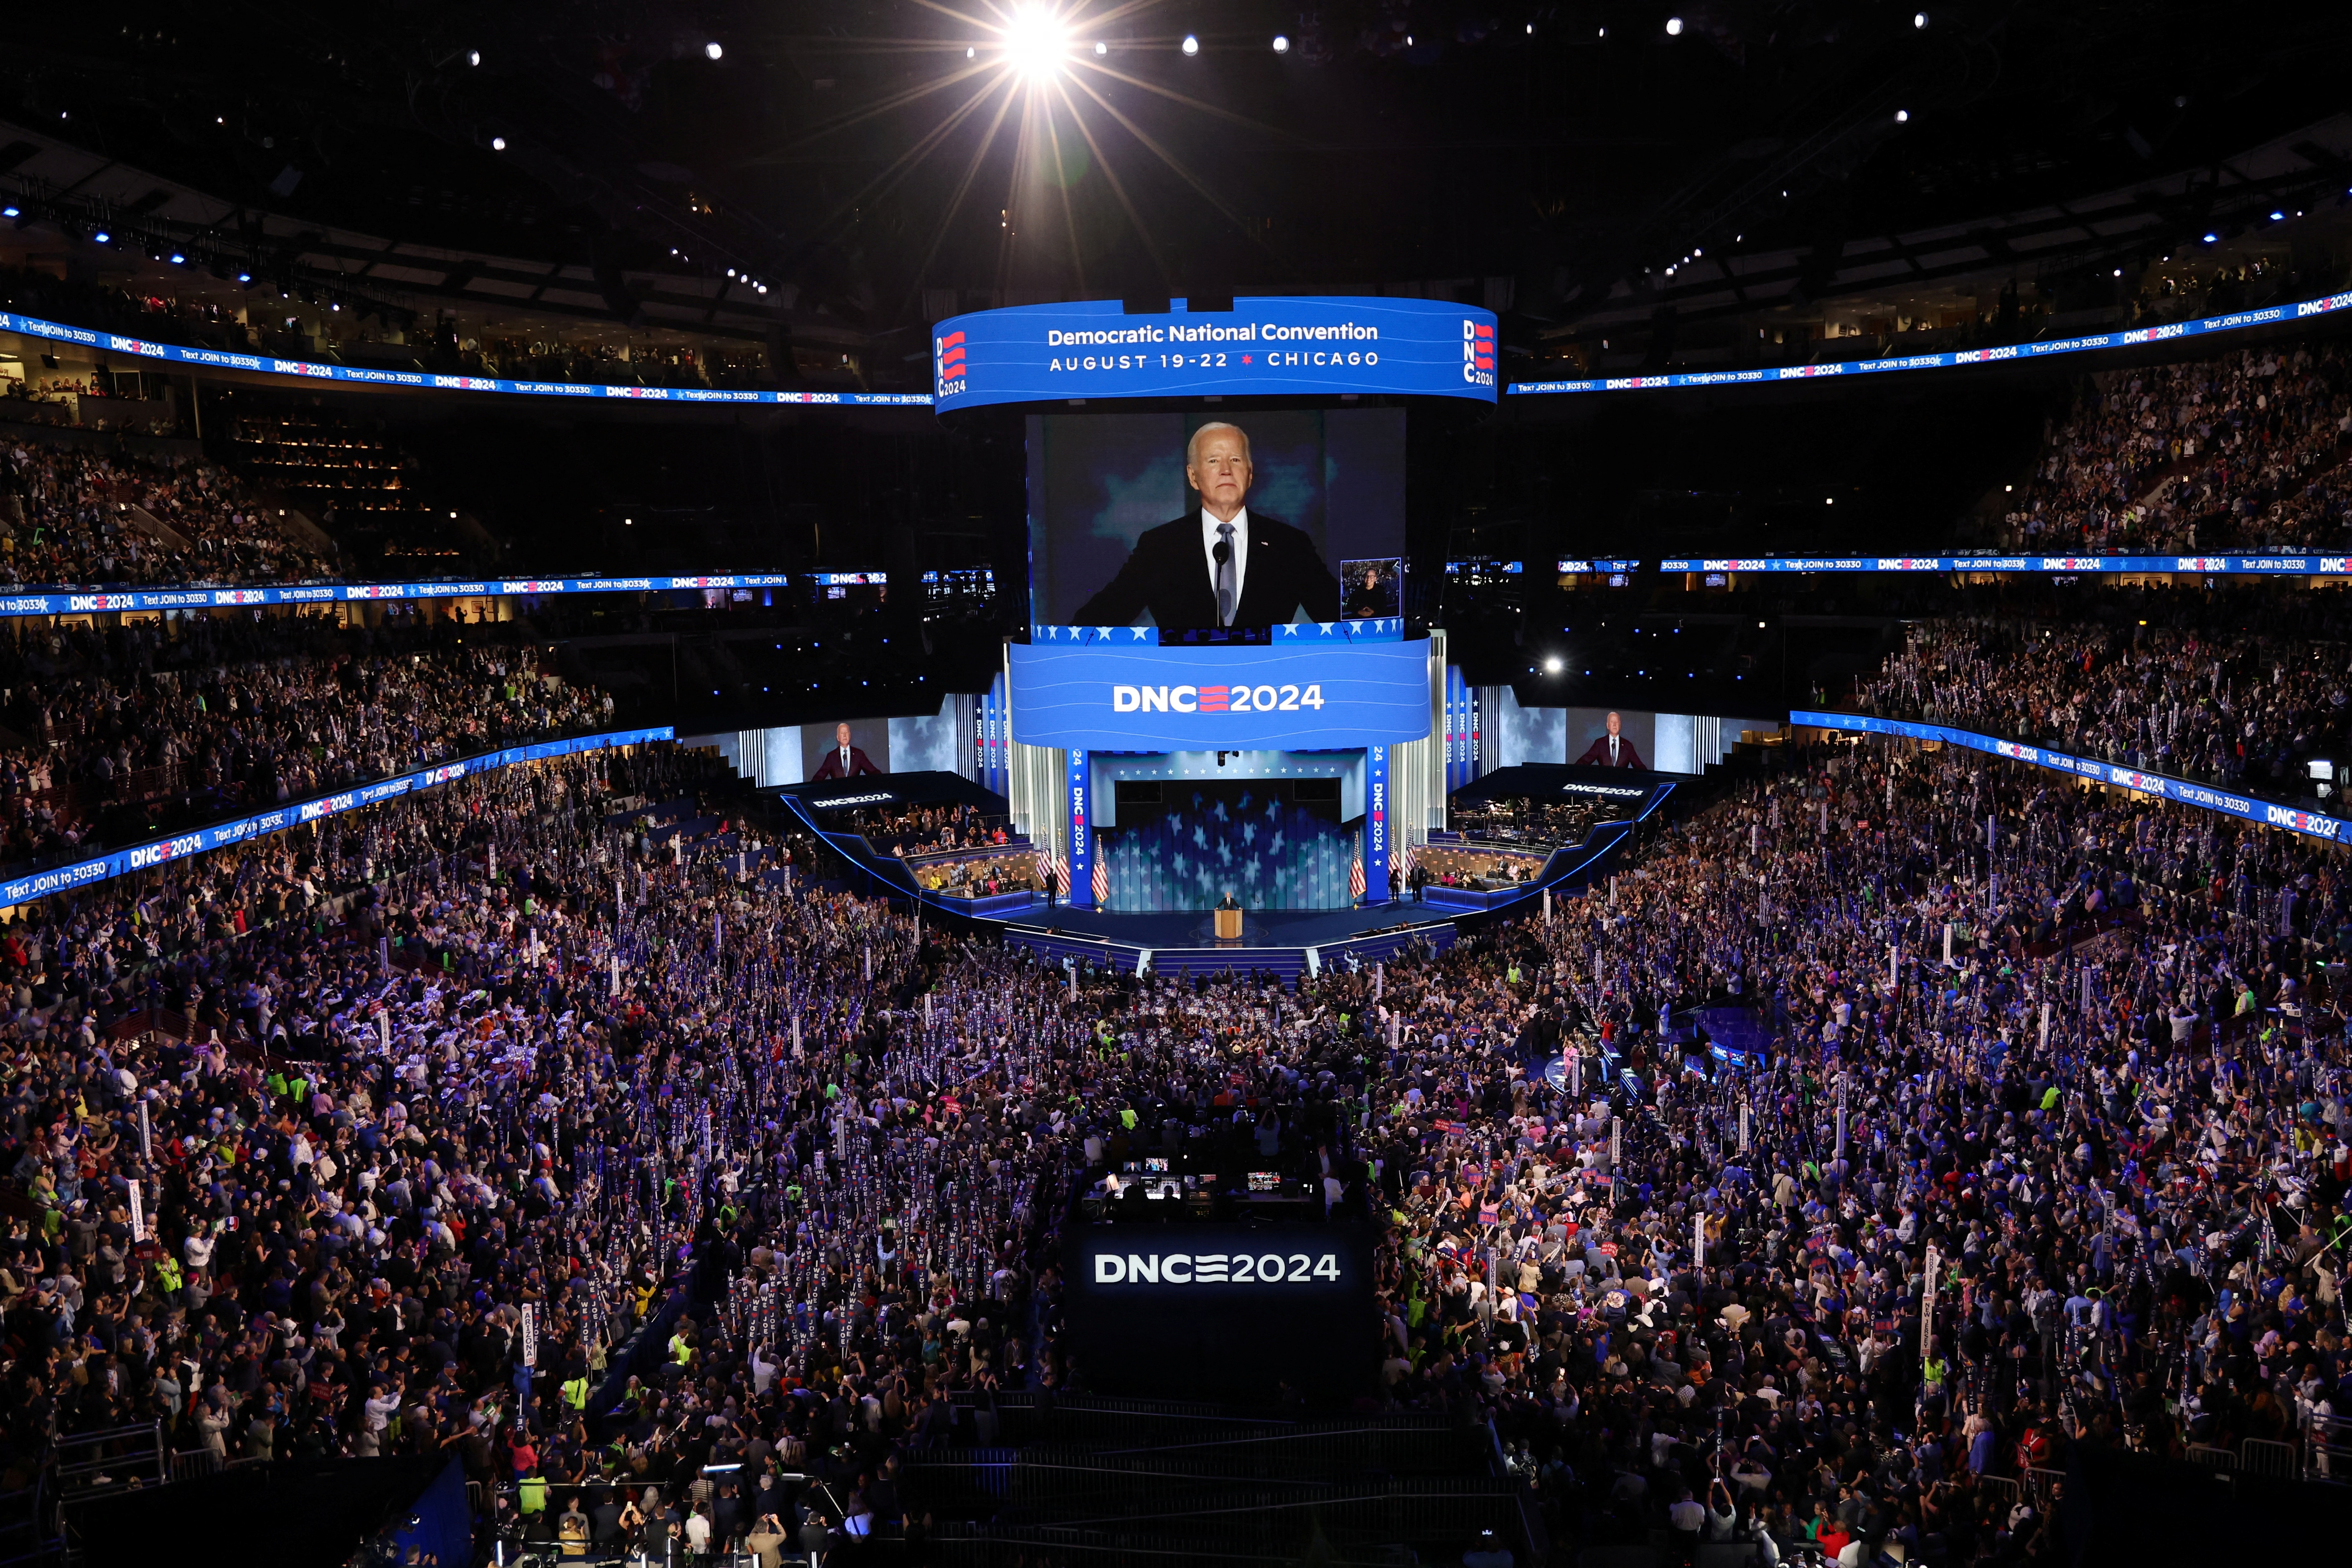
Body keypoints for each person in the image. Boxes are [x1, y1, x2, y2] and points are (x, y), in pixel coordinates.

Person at [1071, 422, 1341, 629]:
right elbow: (1102, 617)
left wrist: (1374, 594)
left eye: (1235, 460)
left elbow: (1342, 616)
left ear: (1250, 473)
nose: (1226, 469)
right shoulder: (1160, 546)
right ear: (1193, 476)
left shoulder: (1289, 544)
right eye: (1213, 460)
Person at [812, 722, 883, 780]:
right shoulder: (831, 756)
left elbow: (873, 772)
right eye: (842, 733)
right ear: (838, 737)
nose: (845, 736)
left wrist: (884, 780)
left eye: (847, 733)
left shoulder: (859, 754)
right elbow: (820, 776)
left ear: (850, 736)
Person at [1574, 711, 1644, 768]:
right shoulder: (1600, 744)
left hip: (1622, 783)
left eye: (1616, 722)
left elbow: (1639, 766)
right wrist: (1572, 771)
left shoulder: (1628, 746)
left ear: (1620, 725)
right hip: (1604, 782)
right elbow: (1585, 761)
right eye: (1612, 722)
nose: (1614, 725)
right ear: (1608, 725)